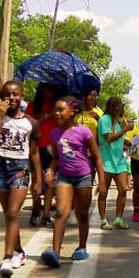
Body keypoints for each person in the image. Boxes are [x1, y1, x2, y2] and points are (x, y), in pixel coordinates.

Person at [40, 96, 106, 268]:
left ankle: (82, 247)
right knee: (61, 212)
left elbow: (97, 157)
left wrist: (103, 182)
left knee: (82, 215)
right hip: (64, 177)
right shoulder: (54, 133)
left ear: (73, 111)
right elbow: (55, 157)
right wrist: (50, 170)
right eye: (55, 109)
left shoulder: (84, 132)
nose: (56, 113)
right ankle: (55, 252)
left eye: (61, 109)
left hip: (83, 176)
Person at [0, 80, 42, 278]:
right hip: (1, 168)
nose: (11, 98)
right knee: (9, 215)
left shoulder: (31, 123)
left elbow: (34, 153)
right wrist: (0, 116)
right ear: (2, 98)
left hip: (21, 169)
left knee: (13, 212)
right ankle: (19, 251)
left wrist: (37, 180)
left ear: (22, 96)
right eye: (7, 95)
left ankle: (8, 256)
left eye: (15, 94)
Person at [26, 83, 60, 228]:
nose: (50, 92)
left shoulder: (58, 106)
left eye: (52, 89)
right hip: (37, 147)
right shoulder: (32, 106)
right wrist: (48, 115)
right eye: (47, 88)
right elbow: (29, 126)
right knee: (36, 180)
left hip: (53, 147)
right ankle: (35, 209)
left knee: (50, 180)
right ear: (41, 89)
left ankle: (46, 214)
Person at [97, 97, 132, 230]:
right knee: (103, 192)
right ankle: (103, 220)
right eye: (117, 106)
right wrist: (125, 129)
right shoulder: (104, 119)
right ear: (112, 106)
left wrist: (134, 143)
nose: (120, 108)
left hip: (119, 161)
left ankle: (118, 219)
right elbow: (110, 138)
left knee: (123, 189)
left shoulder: (118, 121)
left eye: (121, 106)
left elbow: (120, 140)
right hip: (106, 161)